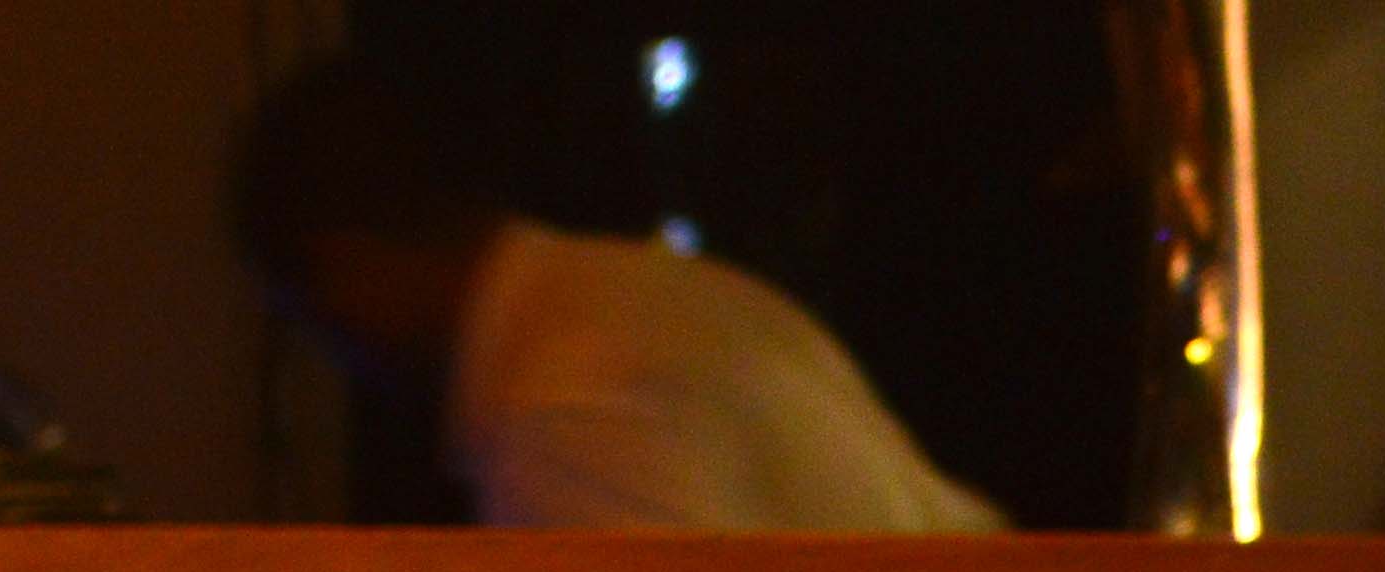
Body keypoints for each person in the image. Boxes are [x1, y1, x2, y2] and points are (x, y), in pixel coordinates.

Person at [230, 58, 1002, 535]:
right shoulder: (661, 295)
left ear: (352, 266)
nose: (336, 355)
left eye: (310, 319)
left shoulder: (564, 412)